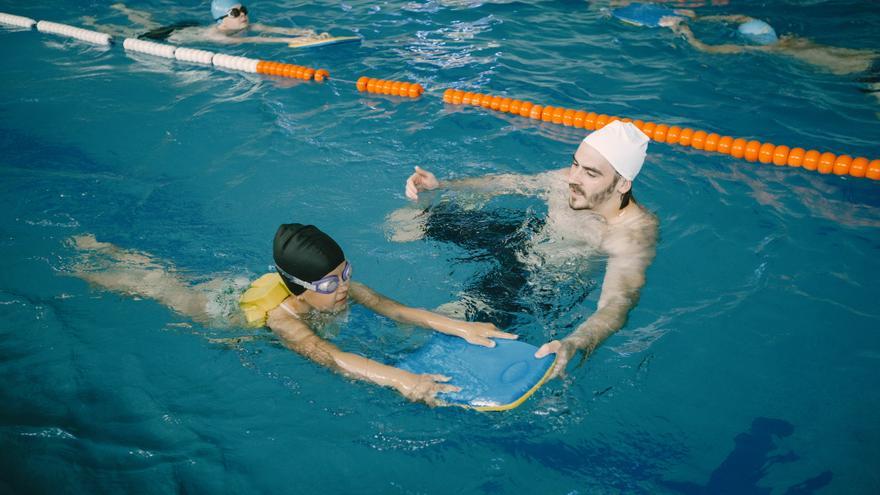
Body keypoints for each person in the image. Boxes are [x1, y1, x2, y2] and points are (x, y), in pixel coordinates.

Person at [69, 224, 516, 406]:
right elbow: (331, 357)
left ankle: (110, 253)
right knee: (162, 287)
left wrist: (463, 326)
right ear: (300, 286)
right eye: (329, 283)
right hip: (218, 311)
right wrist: (402, 380)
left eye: (345, 274)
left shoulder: (343, 287)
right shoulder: (284, 321)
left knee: (170, 276)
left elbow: (396, 309)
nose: (343, 288)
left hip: (259, 285)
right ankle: (96, 259)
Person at [395, 121, 659, 380]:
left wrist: (576, 342)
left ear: (623, 184)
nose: (574, 179)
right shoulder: (568, 179)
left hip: (537, 279)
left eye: (590, 173)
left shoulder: (630, 233)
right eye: (575, 164)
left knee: (450, 320)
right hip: (524, 236)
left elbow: (617, 303)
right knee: (405, 223)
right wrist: (443, 185)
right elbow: (508, 182)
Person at [609, 2, 877, 77]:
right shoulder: (793, 40)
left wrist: (684, 29)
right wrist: (698, 18)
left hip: (865, 74)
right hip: (870, 58)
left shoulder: (771, 50)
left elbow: (707, 49)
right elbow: (740, 16)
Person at [82, 1, 331, 47]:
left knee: (150, 21)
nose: (243, 15)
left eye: (244, 10)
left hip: (188, 26)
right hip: (174, 37)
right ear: (222, 19)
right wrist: (292, 41)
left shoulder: (245, 26)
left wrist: (304, 32)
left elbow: (271, 30)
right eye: (235, 12)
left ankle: (123, 7)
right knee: (133, 32)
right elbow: (259, 40)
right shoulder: (218, 36)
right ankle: (90, 21)